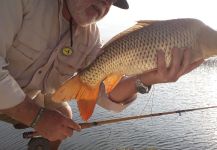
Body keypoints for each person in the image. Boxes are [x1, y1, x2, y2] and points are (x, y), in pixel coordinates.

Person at [0, 0, 203, 149]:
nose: (106, 2)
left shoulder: (90, 38)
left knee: (63, 116)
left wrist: (151, 78)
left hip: (28, 94)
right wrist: (38, 117)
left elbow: (105, 94)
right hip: (10, 94)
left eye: (112, 1)